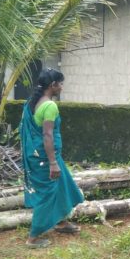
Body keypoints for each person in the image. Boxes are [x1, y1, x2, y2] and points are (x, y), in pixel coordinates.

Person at [20, 69, 84, 249]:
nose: (62, 87)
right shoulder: (50, 106)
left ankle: (61, 222)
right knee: (47, 193)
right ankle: (33, 238)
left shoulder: (32, 102)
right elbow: (47, 135)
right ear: (52, 85)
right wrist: (53, 163)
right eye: (60, 84)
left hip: (40, 155)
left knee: (63, 185)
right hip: (46, 158)